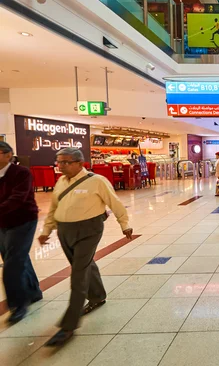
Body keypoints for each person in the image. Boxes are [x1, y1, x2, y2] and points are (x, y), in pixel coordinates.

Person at [39, 148, 133, 346]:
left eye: (66, 162)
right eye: (59, 161)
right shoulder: (61, 182)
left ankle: (68, 326)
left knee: (78, 273)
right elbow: (54, 208)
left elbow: (114, 202)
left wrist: (125, 224)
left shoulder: (96, 181)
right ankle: (98, 296)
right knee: (84, 264)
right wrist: (46, 230)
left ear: (79, 163)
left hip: (89, 229)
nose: (60, 165)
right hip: (65, 231)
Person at [0, 142, 42, 324]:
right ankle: (33, 292)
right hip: (2, 223)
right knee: (17, 256)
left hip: (23, 221)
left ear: (8, 155)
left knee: (12, 263)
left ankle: (18, 305)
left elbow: (18, 198)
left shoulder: (21, 173)